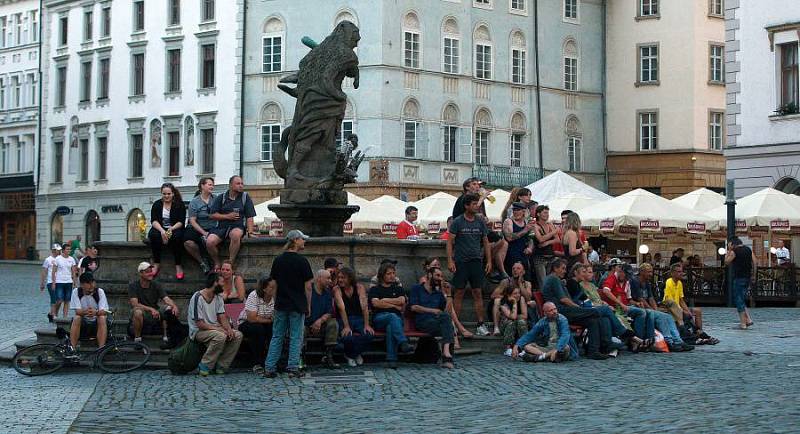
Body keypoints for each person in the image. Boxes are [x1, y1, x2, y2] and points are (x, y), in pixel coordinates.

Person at [264, 230, 314, 378]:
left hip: (281, 303)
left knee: (277, 335)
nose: (304, 242)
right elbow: (308, 286)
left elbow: (273, 284)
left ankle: (269, 367)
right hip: (297, 305)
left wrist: (275, 301)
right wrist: (308, 305)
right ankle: (292, 367)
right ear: (296, 240)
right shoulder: (302, 261)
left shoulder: (278, 260)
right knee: (296, 336)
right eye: (303, 239)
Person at [540, 258, 611, 360]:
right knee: (603, 310)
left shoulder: (553, 279)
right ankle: (619, 334)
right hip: (562, 311)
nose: (565, 271)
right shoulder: (553, 279)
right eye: (563, 268)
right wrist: (577, 308)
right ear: (555, 268)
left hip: (564, 310)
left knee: (593, 320)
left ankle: (593, 351)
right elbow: (564, 299)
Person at [447, 192, 493, 336]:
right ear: (466, 206)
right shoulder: (458, 221)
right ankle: (455, 323)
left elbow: (486, 241)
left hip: (476, 261)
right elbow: (449, 242)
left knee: (477, 292)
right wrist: (450, 260)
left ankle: (480, 324)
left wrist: (489, 260)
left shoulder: (480, 221)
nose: (476, 207)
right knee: (459, 292)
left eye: (476, 204)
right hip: (461, 261)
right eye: (473, 204)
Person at [452, 177, 508, 281]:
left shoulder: (478, 199)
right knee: (498, 241)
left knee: (504, 243)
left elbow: (479, 215)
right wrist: (482, 198)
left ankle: (499, 270)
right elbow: (470, 212)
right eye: (474, 184)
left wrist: (486, 221)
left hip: (477, 227)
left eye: (479, 185)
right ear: (467, 187)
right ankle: (487, 265)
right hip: (466, 230)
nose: (478, 186)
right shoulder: (464, 198)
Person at [188, 272, 243, 376]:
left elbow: (222, 316)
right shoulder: (198, 297)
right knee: (220, 336)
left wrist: (229, 329)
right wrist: (219, 329)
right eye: (222, 282)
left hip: (213, 328)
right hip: (199, 331)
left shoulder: (218, 298)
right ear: (215, 283)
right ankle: (205, 365)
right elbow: (200, 324)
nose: (223, 285)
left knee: (237, 335)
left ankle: (221, 365)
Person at [630, 264, 693, 352]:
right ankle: (669, 342)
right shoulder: (635, 281)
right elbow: (641, 298)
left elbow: (651, 298)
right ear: (641, 272)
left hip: (648, 307)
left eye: (651, 272)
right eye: (649, 272)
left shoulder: (647, 282)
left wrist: (655, 309)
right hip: (639, 306)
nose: (651, 274)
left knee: (668, 317)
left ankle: (678, 341)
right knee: (661, 316)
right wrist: (653, 310)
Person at [369, 262, 414, 368]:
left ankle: (391, 359)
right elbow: (375, 303)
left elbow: (402, 300)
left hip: (396, 320)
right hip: (380, 319)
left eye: (394, 273)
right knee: (392, 317)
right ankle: (403, 342)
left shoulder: (398, 288)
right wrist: (394, 306)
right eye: (389, 273)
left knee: (391, 325)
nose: (392, 275)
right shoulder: (375, 289)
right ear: (382, 275)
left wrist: (384, 300)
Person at [206, 175, 257, 270]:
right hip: (222, 226)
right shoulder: (222, 197)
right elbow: (212, 215)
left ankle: (230, 262)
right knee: (209, 242)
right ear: (231, 185)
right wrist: (227, 216)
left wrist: (250, 232)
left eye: (242, 183)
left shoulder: (245, 197)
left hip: (237, 225)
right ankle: (217, 262)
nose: (241, 186)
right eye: (238, 184)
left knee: (235, 235)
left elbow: (250, 216)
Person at [410, 266, 455, 369]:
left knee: (447, 321)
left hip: (435, 323)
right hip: (422, 322)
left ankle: (446, 353)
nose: (440, 278)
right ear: (429, 275)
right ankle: (447, 356)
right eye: (437, 275)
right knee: (448, 327)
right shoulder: (417, 288)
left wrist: (448, 295)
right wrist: (432, 310)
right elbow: (414, 307)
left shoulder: (438, 293)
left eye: (441, 276)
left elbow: (447, 312)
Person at [128, 261, 181, 349]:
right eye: (147, 271)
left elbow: (166, 298)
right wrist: (151, 309)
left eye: (151, 271)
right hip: (142, 311)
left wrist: (174, 306)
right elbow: (135, 304)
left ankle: (168, 336)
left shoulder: (156, 284)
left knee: (169, 309)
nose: (150, 273)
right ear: (141, 273)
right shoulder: (133, 286)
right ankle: (137, 339)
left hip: (155, 311)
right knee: (137, 312)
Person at [662, 264, 718, 345]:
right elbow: (670, 303)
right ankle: (698, 335)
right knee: (686, 315)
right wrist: (683, 311)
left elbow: (681, 300)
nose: (681, 273)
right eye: (678, 272)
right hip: (671, 309)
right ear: (672, 273)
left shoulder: (679, 283)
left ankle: (700, 333)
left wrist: (687, 310)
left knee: (697, 311)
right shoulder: (669, 283)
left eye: (682, 271)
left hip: (678, 307)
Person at [420, 258, 472, 341]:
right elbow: (430, 294)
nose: (437, 267)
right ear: (428, 267)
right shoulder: (424, 279)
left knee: (448, 310)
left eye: (438, 265)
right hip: (430, 306)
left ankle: (457, 333)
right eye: (435, 265)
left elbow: (442, 294)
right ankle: (459, 330)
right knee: (448, 312)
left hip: (441, 304)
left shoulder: (440, 278)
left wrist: (446, 291)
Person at [333, 266, 374, 367]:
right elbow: (341, 308)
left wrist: (366, 325)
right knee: (347, 337)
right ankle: (355, 354)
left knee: (368, 335)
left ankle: (351, 355)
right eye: (339, 277)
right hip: (344, 319)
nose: (340, 280)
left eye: (343, 277)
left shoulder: (359, 287)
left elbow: (364, 307)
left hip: (359, 318)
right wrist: (347, 326)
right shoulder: (337, 289)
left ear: (350, 278)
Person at [512, 302, 577, 363]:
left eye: (555, 309)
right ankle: (546, 356)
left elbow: (565, 335)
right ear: (545, 313)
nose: (554, 312)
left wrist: (557, 349)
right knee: (527, 347)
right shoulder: (543, 321)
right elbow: (530, 335)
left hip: (560, 347)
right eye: (551, 310)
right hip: (548, 348)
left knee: (566, 347)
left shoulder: (562, 319)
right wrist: (517, 345)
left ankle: (541, 357)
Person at [148, 183, 186, 280]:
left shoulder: (179, 204)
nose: (166, 196)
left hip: (174, 228)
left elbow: (181, 222)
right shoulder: (157, 204)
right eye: (164, 194)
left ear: (173, 194)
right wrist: (162, 231)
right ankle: (156, 263)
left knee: (177, 237)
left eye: (169, 194)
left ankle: (178, 265)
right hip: (160, 228)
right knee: (153, 235)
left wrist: (170, 230)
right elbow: (154, 221)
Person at [238, 275, 276, 375]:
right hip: (247, 323)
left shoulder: (275, 298)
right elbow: (252, 318)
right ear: (264, 289)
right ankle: (257, 363)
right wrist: (269, 321)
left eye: (275, 287)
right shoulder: (254, 296)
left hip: (265, 322)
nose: (274, 289)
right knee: (258, 330)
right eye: (271, 287)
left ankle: (271, 361)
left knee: (274, 330)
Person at [68, 272, 110, 353]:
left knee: (101, 318)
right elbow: (78, 311)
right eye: (88, 283)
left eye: (92, 282)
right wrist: (86, 312)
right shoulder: (76, 292)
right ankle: (72, 348)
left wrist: (96, 312)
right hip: (84, 322)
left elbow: (103, 311)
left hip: (96, 322)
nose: (91, 285)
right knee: (77, 318)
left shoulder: (99, 292)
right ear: (82, 285)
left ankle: (101, 349)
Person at [307, 269, 340, 368]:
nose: (330, 281)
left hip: (321, 324)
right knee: (300, 330)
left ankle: (328, 356)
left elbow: (329, 312)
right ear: (319, 279)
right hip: (306, 323)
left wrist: (320, 321)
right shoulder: (309, 290)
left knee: (333, 323)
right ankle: (301, 358)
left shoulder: (328, 292)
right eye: (328, 278)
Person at [489, 262, 532, 336]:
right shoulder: (506, 282)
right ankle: (496, 327)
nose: (515, 270)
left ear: (523, 271)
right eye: (513, 268)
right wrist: (508, 297)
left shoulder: (527, 283)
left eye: (518, 268)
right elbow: (493, 295)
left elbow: (528, 298)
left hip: (520, 307)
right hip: (507, 306)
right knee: (497, 300)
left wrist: (520, 284)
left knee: (524, 299)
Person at [183, 177, 216, 274]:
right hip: (198, 227)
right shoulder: (194, 202)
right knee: (188, 242)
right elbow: (192, 221)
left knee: (210, 240)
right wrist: (203, 232)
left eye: (212, 185)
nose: (212, 187)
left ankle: (214, 263)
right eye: (209, 184)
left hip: (212, 226)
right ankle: (202, 262)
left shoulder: (216, 199)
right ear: (202, 186)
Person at [725, 237, 756, 329]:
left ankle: (743, 324)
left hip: (739, 277)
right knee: (741, 298)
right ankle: (749, 320)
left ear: (732, 244)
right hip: (747, 277)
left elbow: (726, 262)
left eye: (729, 245)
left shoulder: (735, 251)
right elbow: (755, 262)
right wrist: (754, 275)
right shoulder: (748, 249)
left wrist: (729, 252)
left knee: (738, 299)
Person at [502, 202, 535, 277]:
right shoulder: (508, 221)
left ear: (523, 212)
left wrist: (530, 247)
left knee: (526, 280)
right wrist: (524, 230)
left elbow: (531, 238)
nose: (515, 212)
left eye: (518, 210)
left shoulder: (527, 222)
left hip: (523, 255)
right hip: (511, 255)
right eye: (514, 210)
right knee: (513, 280)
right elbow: (509, 238)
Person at [531, 205, 559, 289]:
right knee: (543, 282)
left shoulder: (550, 224)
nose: (547, 215)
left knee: (550, 281)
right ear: (538, 214)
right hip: (539, 257)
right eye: (545, 213)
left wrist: (547, 243)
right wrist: (553, 232)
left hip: (550, 256)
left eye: (548, 213)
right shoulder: (536, 225)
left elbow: (558, 239)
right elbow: (540, 239)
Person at [498, 285, 529, 356]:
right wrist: (514, 303)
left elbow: (525, 316)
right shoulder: (503, 303)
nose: (518, 295)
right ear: (509, 295)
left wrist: (516, 318)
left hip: (517, 323)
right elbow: (513, 317)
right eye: (515, 293)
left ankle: (524, 348)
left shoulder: (521, 299)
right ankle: (508, 349)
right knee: (511, 322)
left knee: (521, 322)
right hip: (505, 326)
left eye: (518, 293)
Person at [51, 243, 78, 320]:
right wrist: (53, 283)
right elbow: (54, 272)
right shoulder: (58, 259)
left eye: (70, 249)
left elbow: (74, 271)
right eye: (67, 249)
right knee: (59, 300)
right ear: (63, 250)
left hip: (68, 282)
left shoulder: (71, 259)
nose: (69, 251)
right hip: (59, 281)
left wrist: (74, 282)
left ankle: (65, 317)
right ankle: (55, 312)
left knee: (67, 300)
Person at [41, 244, 61, 322]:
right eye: (57, 250)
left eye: (59, 250)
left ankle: (52, 313)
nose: (59, 251)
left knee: (60, 300)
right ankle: (54, 316)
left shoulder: (60, 259)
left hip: (60, 281)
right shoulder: (48, 260)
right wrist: (42, 283)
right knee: (54, 299)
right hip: (50, 282)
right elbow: (44, 272)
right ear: (53, 250)